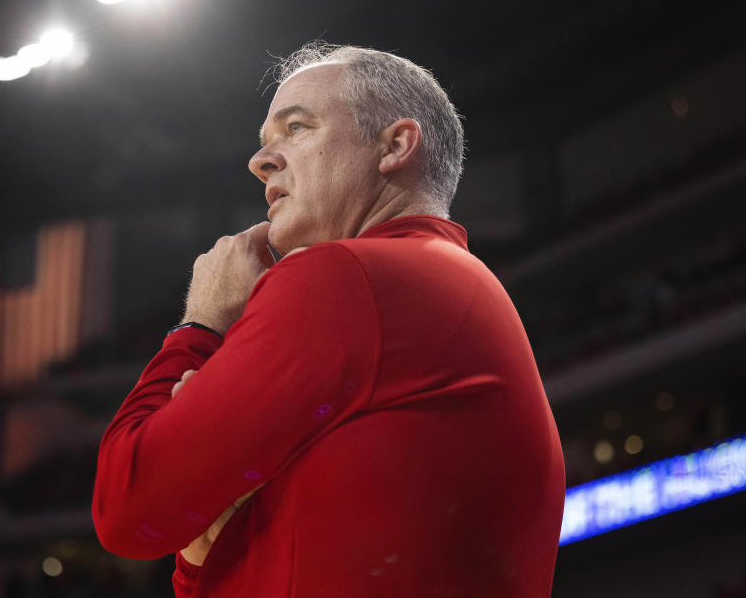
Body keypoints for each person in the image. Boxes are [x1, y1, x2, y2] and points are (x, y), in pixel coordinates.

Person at [92, 43, 566, 597]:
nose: (260, 160)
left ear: (394, 146)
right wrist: (200, 555)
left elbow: (125, 509)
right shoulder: (447, 287)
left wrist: (200, 324)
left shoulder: (345, 279)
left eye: (296, 128)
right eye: (264, 143)